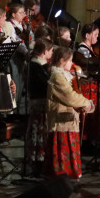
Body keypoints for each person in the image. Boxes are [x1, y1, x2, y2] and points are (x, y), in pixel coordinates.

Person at [45, 46, 93, 179]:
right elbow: (69, 96)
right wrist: (87, 103)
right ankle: (61, 176)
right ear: (62, 61)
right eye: (70, 60)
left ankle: (68, 175)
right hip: (60, 122)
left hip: (68, 120)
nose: (72, 64)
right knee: (61, 152)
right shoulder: (57, 77)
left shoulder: (64, 75)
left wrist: (84, 105)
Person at [23, 38, 53, 177]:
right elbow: (44, 85)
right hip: (38, 104)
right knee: (37, 134)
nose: (52, 54)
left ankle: (39, 162)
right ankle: (35, 164)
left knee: (40, 133)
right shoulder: (35, 66)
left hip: (41, 103)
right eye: (51, 51)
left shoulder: (40, 65)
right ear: (45, 52)